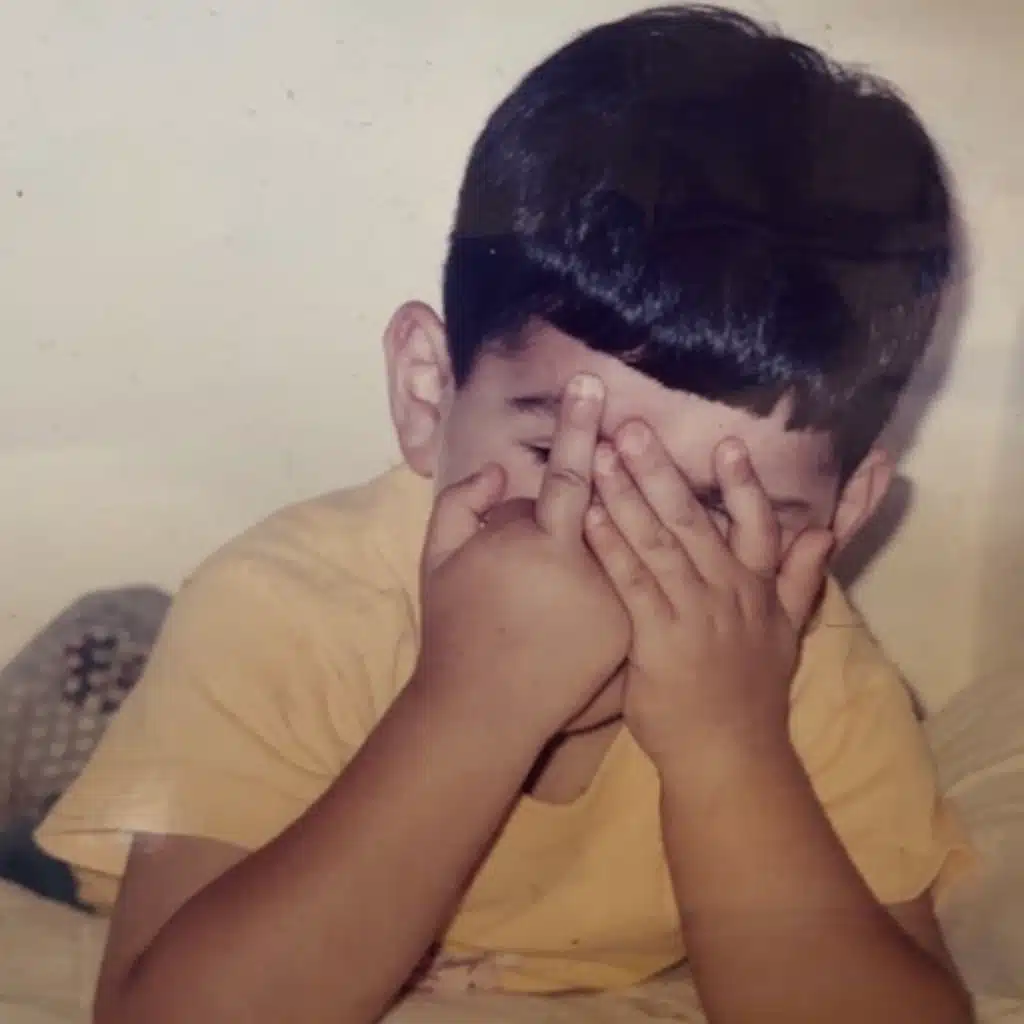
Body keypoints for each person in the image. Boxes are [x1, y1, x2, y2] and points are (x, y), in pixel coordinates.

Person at [38, 6, 975, 1023]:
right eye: (560, 460)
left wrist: (727, 743)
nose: (622, 553)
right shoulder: (289, 607)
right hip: (208, 787)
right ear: (428, 394)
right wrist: (471, 701)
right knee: (98, 672)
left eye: (716, 509)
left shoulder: (806, 666)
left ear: (845, 509)